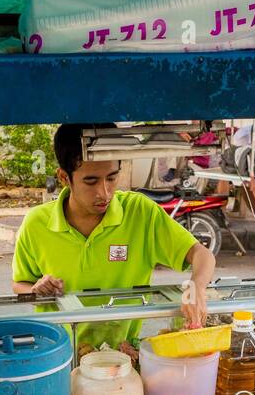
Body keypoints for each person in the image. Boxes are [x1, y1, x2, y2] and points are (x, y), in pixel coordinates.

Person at [13, 123, 216, 360]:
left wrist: (196, 287)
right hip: (58, 356)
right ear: (64, 177)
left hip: (123, 357)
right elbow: (20, 284)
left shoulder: (140, 213)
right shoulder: (36, 223)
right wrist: (37, 290)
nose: (105, 192)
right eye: (91, 181)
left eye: (111, 178)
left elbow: (202, 255)